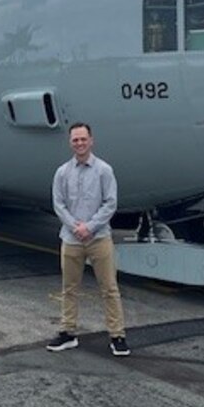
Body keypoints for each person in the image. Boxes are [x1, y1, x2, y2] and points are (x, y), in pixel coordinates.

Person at [46, 122, 130, 356]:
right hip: (71, 239)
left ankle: (117, 335)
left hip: (99, 237)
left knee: (109, 288)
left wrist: (90, 227)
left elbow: (110, 203)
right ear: (70, 143)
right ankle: (67, 332)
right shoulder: (63, 172)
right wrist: (75, 227)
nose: (80, 143)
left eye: (83, 139)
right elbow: (58, 204)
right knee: (69, 288)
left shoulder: (104, 170)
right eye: (75, 140)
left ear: (91, 141)